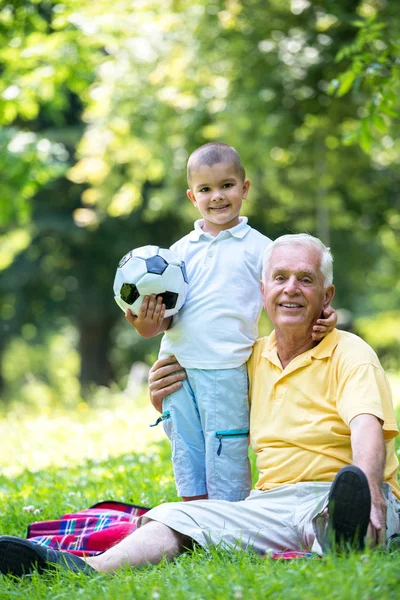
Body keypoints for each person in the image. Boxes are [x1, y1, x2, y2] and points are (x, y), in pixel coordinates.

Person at [1, 233, 398, 576]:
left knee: (346, 514)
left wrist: (369, 489)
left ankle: (345, 534)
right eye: (280, 278)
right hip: (270, 502)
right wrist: (165, 402)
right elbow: (213, 413)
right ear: (263, 291)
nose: (290, 288)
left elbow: (367, 425)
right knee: (173, 515)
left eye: (305, 280)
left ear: (326, 296)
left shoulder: (349, 352)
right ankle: (84, 568)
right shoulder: (246, 359)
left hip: (342, 491)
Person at [125, 142, 336, 502]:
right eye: (206, 189)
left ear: (245, 188)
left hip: (227, 368)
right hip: (176, 366)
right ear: (193, 196)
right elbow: (160, 323)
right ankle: (193, 515)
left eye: (226, 185)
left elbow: (289, 292)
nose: (217, 196)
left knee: (226, 449)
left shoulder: (262, 249)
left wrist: (323, 316)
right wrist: (144, 324)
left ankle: (229, 517)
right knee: (186, 447)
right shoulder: (177, 253)